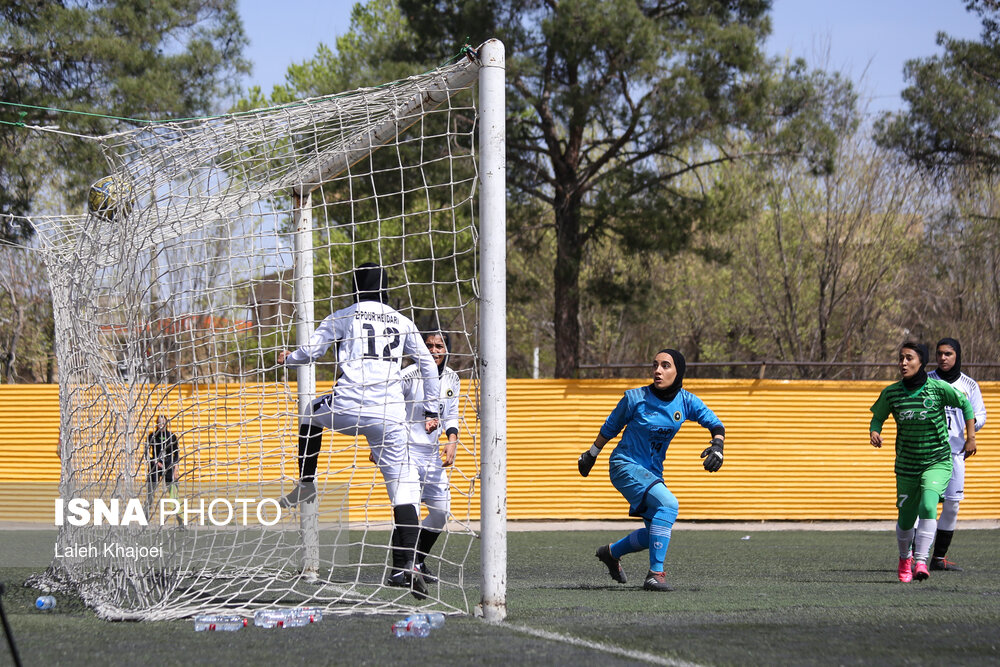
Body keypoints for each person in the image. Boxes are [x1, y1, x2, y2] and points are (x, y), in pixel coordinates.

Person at [276, 263, 440, 599]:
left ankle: (306, 484)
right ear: (386, 290)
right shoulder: (402, 321)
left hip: (348, 406)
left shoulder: (345, 314)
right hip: (390, 416)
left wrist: (289, 358)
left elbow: (313, 351)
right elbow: (426, 364)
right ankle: (407, 563)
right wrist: (432, 408)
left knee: (309, 413)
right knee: (405, 492)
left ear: (355, 289)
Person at [578, 349, 726, 592]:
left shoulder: (686, 401)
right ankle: (655, 575)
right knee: (669, 505)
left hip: (651, 473)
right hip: (624, 465)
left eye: (666, 366)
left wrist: (717, 446)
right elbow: (610, 426)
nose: (658, 370)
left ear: (678, 372)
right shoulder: (635, 398)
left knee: (655, 531)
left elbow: (715, 423)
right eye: (655, 365)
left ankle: (611, 552)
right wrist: (591, 454)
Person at [869, 341, 975, 583]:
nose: (903, 363)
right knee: (906, 518)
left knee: (928, 506)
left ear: (921, 362)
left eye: (908, 358)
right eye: (900, 358)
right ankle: (904, 558)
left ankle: (920, 562)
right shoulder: (892, 393)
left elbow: (966, 405)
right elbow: (878, 418)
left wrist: (971, 437)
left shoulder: (938, 389)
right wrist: (874, 431)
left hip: (936, 460)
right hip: (907, 465)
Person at [399, 330, 462, 583]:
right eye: (429, 346)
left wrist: (452, 440)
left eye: (439, 346)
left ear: (447, 349)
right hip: (405, 450)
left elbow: (451, 414)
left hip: (432, 454)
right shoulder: (407, 375)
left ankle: (418, 559)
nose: (434, 351)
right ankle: (403, 567)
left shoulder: (452, 378)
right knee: (409, 509)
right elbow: (388, 408)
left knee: (440, 512)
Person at [924, 337, 986, 571]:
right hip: (928, 452)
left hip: (955, 453)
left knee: (952, 505)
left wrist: (967, 429)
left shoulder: (969, 385)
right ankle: (914, 557)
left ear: (957, 355)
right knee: (925, 504)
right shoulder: (926, 380)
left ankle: (938, 558)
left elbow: (980, 415)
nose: (943, 358)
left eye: (948, 354)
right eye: (939, 354)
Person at [145, 415, 181, 523]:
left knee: (174, 495)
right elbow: (146, 453)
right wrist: (154, 461)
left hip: (169, 466)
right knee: (150, 495)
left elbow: (176, 454)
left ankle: (181, 522)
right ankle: (144, 520)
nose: (161, 425)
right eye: (159, 423)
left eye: (163, 423)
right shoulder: (152, 436)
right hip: (155, 467)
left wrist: (175, 468)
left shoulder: (172, 436)